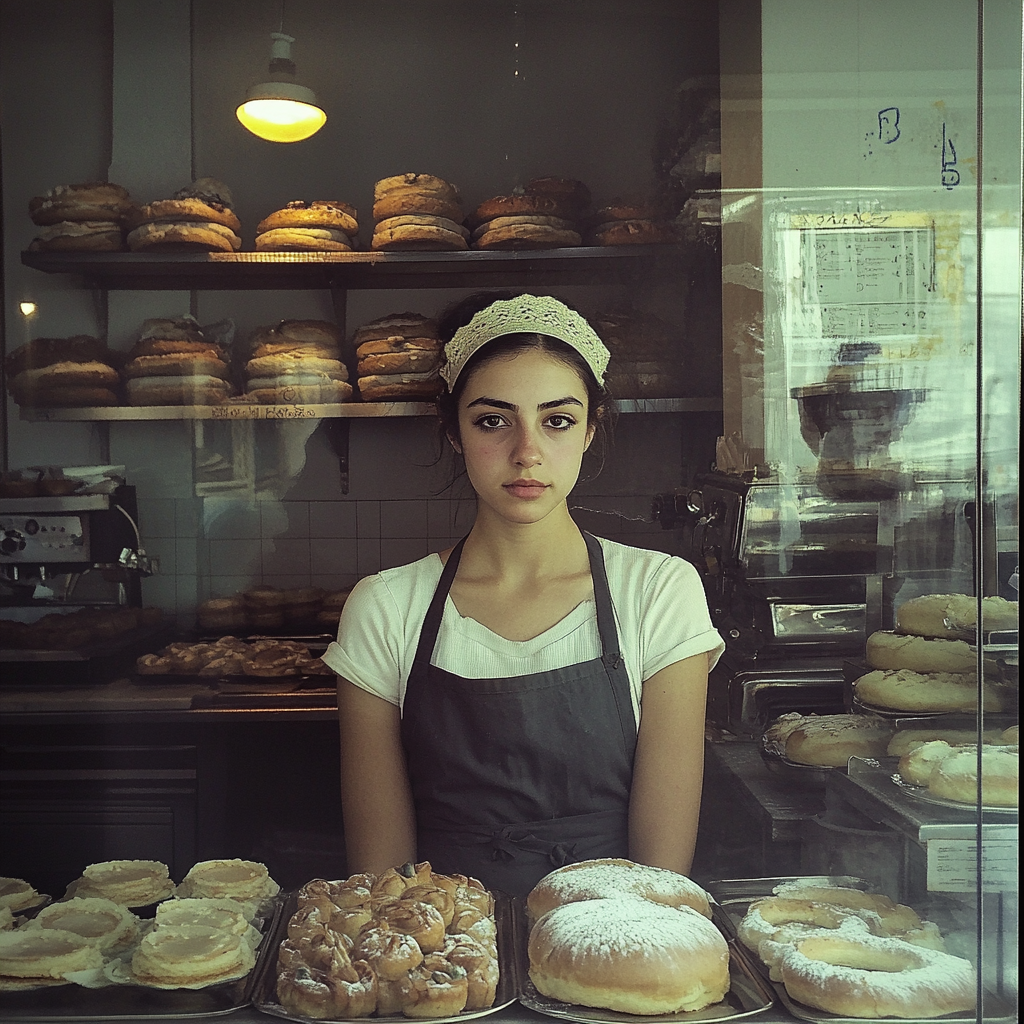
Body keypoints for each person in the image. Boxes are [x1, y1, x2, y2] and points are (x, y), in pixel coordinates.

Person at [323, 292, 724, 897]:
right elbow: (384, 887)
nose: (526, 452)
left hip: (612, 947)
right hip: (447, 964)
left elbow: (662, 885)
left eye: (556, 420)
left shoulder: (658, 592)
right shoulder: (386, 607)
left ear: (591, 429)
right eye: (492, 420)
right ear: (453, 431)